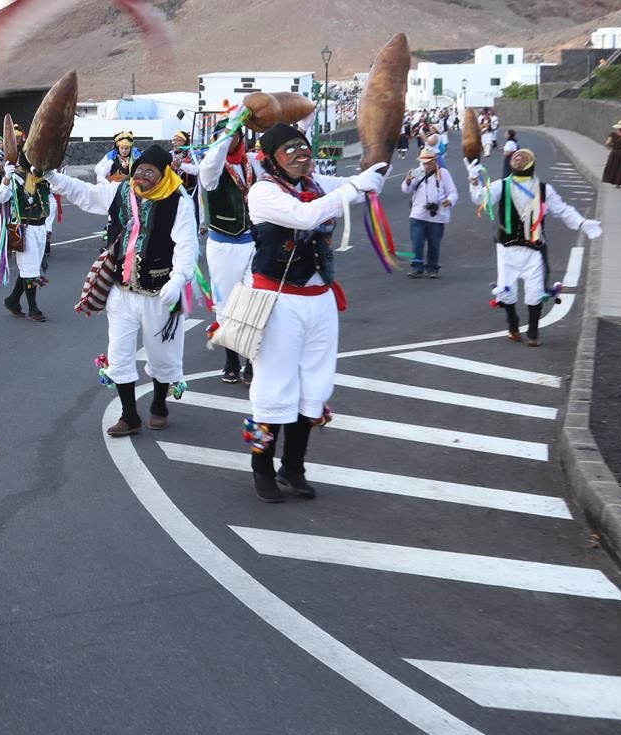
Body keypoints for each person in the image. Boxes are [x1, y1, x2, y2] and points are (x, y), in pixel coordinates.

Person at [243, 123, 389, 503]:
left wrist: (375, 167)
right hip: (277, 300)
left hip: (320, 298)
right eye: (289, 149)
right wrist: (355, 187)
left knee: (314, 386)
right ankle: (261, 466)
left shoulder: (318, 182)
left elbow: (366, 187)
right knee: (273, 387)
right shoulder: (263, 192)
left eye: (303, 147)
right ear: (271, 159)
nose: (299, 154)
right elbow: (306, 216)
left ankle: (294, 466)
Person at [49, 145, 196, 435]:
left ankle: (158, 405)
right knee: (119, 355)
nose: (141, 177)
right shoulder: (120, 191)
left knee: (163, 356)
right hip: (121, 291)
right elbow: (85, 193)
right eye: (139, 170)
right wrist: (53, 177)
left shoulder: (179, 201)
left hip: (159, 294)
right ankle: (130, 416)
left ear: (164, 174)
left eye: (149, 172)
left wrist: (178, 280)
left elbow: (187, 246)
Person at [468, 147, 601, 346]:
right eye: (515, 155)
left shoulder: (545, 190)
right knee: (507, 290)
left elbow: (563, 211)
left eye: (524, 155)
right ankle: (513, 324)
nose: (518, 156)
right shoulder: (500, 186)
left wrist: (582, 223)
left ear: (531, 162)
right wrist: (474, 180)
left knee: (535, 291)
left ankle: (533, 333)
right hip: (506, 249)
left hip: (534, 250)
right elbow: (480, 199)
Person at [197, 119, 258, 384]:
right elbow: (213, 162)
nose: (231, 138)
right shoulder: (211, 168)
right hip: (224, 244)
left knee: (256, 302)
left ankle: (252, 360)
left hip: (253, 241)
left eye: (235, 134)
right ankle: (231, 358)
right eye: (225, 135)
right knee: (227, 305)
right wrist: (226, 133)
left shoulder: (253, 161)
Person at [0, 152, 52, 321]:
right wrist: (6, 178)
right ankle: (33, 309)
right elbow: (0, 197)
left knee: (30, 267)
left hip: (41, 226)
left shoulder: (43, 176)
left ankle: (12, 300)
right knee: (30, 269)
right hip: (25, 228)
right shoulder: (16, 178)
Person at [400, 145, 456, 279]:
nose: (427, 166)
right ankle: (417, 268)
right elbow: (406, 190)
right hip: (418, 214)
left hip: (437, 216)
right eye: (424, 163)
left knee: (434, 244)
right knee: (417, 243)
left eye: (429, 163)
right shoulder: (418, 172)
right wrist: (407, 181)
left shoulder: (443, 173)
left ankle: (432, 268)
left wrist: (449, 200)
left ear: (435, 161)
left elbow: (453, 192)